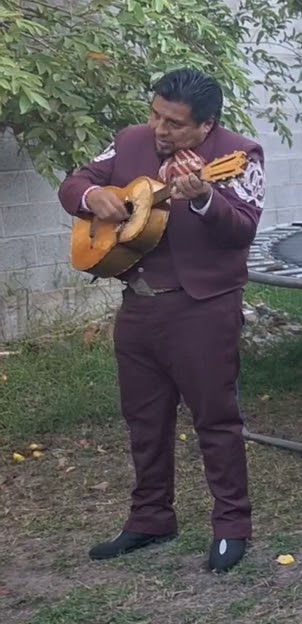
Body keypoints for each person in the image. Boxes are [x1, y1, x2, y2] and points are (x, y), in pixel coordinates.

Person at [57, 68, 266, 573]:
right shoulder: (131, 140)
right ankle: (151, 518)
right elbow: (75, 183)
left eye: (174, 123)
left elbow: (243, 230)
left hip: (203, 308)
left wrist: (204, 198)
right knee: (144, 419)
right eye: (155, 115)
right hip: (139, 304)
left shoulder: (240, 154)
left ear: (206, 125)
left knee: (215, 419)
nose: (159, 129)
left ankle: (231, 525)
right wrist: (93, 198)